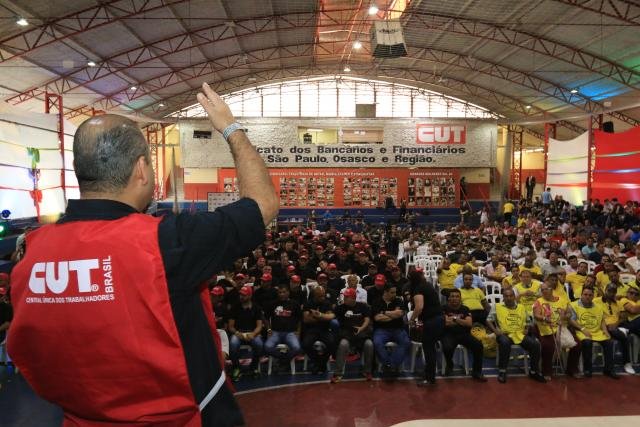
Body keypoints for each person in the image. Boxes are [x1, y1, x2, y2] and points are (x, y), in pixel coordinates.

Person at [7, 84, 279, 427]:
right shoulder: (165, 241)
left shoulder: (31, 253)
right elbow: (263, 205)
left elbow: (27, 352)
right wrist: (230, 127)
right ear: (141, 169)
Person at [487, 288, 545, 383]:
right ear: (503, 297)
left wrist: (526, 329)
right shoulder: (497, 306)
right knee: (504, 343)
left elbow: (528, 321)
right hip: (505, 334)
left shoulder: (521, 307)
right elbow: (488, 320)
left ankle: (534, 371)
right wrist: (495, 331)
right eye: (506, 296)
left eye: (511, 296)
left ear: (514, 296)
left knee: (535, 345)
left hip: (519, 334)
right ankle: (502, 371)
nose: (509, 298)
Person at [567, 287, 619, 379]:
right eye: (585, 294)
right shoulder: (573, 305)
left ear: (593, 296)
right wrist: (583, 329)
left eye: (590, 295)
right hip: (581, 331)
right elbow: (571, 321)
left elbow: (602, 321)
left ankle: (609, 369)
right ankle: (588, 369)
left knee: (609, 342)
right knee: (587, 342)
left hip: (597, 331)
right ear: (581, 295)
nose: (587, 297)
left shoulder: (598, 307)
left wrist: (606, 331)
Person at [533, 282, 580, 380]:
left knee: (577, 344)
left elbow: (569, 313)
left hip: (562, 328)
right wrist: (545, 319)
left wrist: (564, 317)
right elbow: (536, 315)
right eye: (542, 290)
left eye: (546, 289)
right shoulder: (538, 301)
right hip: (545, 328)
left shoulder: (562, 300)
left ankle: (572, 369)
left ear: (552, 290)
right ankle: (546, 371)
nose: (544, 291)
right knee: (548, 345)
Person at [440, 289, 487, 381]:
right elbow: (446, 323)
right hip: (448, 334)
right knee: (447, 347)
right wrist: (462, 321)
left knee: (478, 346)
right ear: (448, 298)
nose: (454, 298)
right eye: (452, 296)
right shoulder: (443, 308)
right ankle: (449, 365)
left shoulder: (465, 309)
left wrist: (454, 318)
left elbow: (469, 324)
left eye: (457, 296)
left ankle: (477, 372)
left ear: (460, 298)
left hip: (464, 334)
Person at [407, 270, 444, 387]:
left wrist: (412, 319)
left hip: (431, 321)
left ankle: (430, 379)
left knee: (429, 350)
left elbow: (419, 307)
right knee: (430, 349)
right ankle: (429, 375)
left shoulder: (418, 288)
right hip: (438, 319)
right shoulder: (427, 285)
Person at [331, 287, 373, 383]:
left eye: (347, 297)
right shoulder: (340, 308)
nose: (344, 299)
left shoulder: (363, 306)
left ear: (353, 298)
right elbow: (332, 316)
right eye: (344, 297)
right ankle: (338, 373)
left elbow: (367, 319)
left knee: (369, 344)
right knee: (343, 344)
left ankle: (367, 371)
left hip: (361, 333)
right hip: (347, 334)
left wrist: (361, 328)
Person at [595, 284, 636, 374]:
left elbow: (623, 317)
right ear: (605, 290)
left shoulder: (618, 303)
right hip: (603, 326)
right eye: (609, 291)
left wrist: (615, 324)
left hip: (616, 326)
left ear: (615, 293)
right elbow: (593, 315)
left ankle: (627, 363)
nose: (611, 293)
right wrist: (606, 325)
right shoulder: (596, 301)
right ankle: (627, 363)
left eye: (613, 291)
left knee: (618, 332)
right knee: (623, 336)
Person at [371, 284, 410, 377]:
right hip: (381, 330)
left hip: (398, 329)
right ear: (385, 292)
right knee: (377, 343)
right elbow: (377, 318)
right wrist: (394, 315)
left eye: (395, 292)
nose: (395, 294)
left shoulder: (398, 301)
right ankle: (389, 364)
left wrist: (383, 312)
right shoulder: (376, 302)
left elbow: (399, 314)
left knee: (406, 342)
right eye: (392, 292)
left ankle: (390, 365)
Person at [228, 285, 265, 381]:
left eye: (244, 295)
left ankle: (253, 367)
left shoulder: (256, 308)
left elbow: (259, 326)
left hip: (252, 333)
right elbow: (231, 326)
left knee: (259, 345)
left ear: (249, 296)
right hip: (238, 332)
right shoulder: (235, 307)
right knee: (232, 345)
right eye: (240, 295)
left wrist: (253, 334)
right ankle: (237, 367)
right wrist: (237, 333)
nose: (241, 297)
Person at [263, 285, 302, 372]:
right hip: (275, 332)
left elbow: (300, 319)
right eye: (280, 292)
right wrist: (268, 329)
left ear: (288, 292)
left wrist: (298, 332)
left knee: (297, 348)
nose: (282, 294)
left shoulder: (295, 304)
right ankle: (283, 359)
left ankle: (283, 361)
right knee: (267, 346)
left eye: (284, 292)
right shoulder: (273, 304)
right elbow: (265, 318)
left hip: (290, 333)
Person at [302, 286, 336, 374]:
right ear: (315, 296)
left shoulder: (327, 303)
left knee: (332, 343)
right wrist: (323, 317)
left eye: (323, 295)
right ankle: (319, 362)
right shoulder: (308, 304)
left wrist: (318, 315)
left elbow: (330, 317)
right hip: (311, 329)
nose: (323, 298)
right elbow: (306, 319)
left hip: (324, 329)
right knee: (306, 344)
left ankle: (320, 363)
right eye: (320, 296)